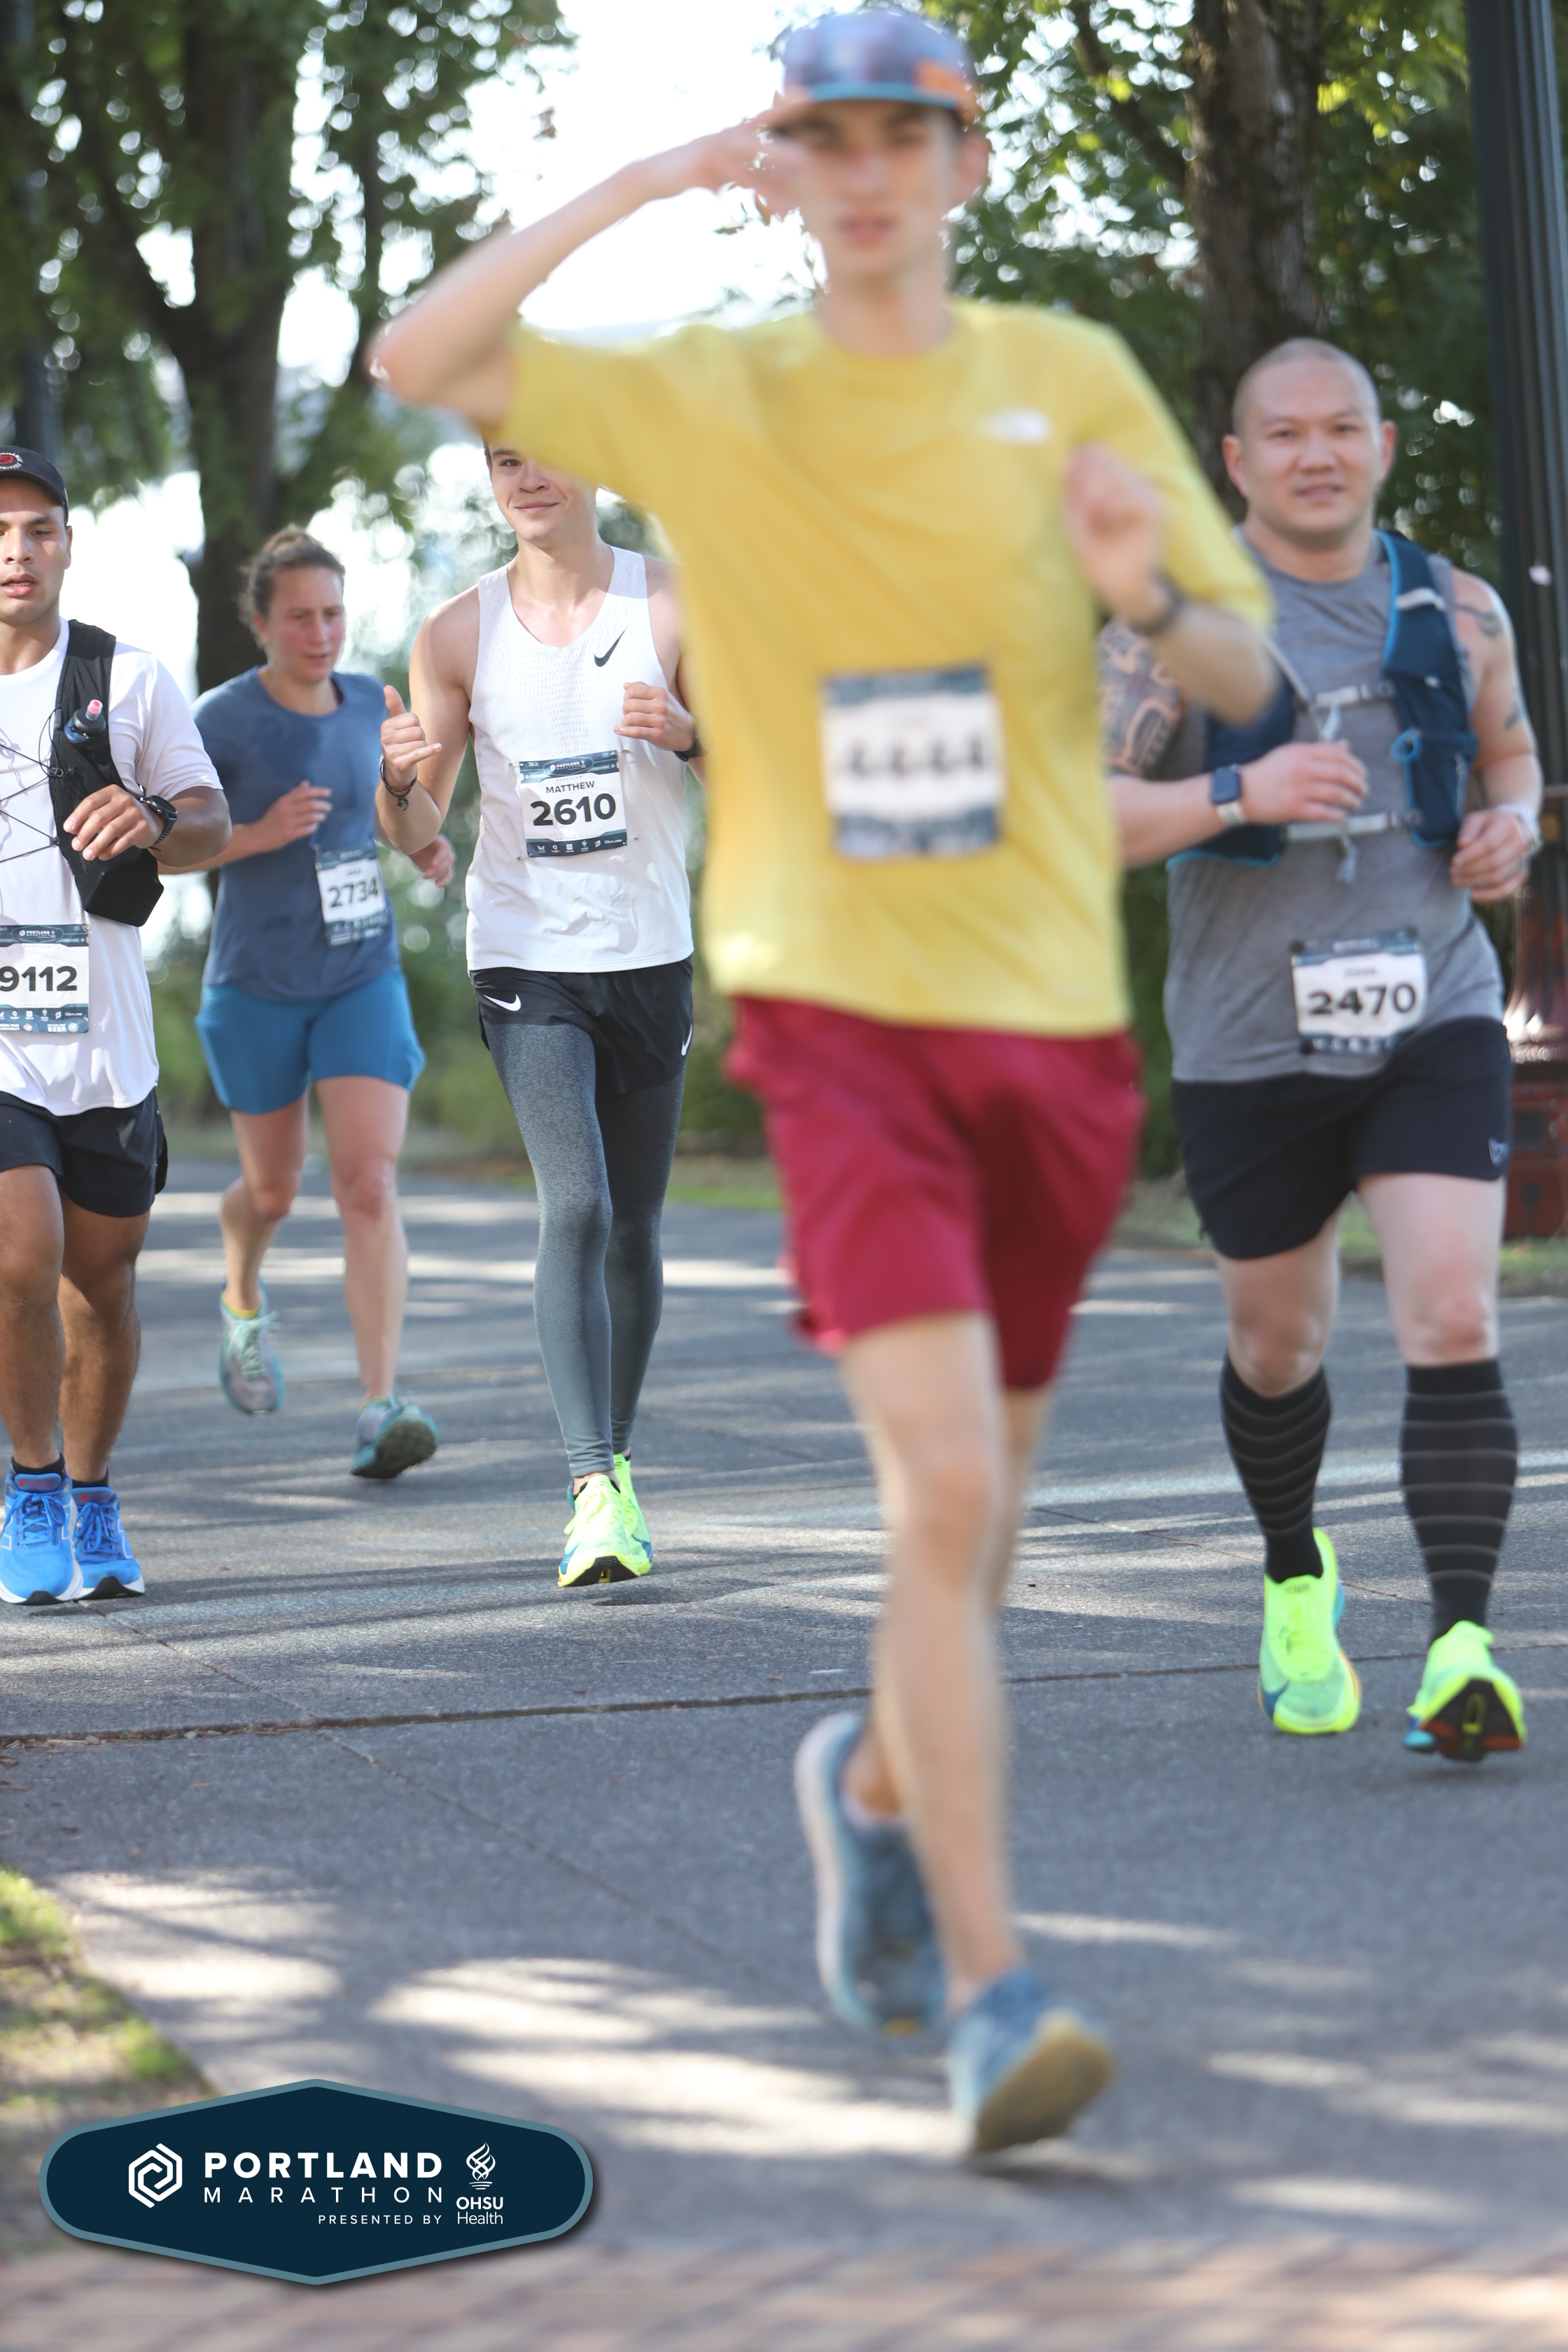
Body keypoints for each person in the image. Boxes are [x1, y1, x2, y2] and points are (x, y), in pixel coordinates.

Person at [371, 8, 1278, 2153]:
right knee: (940, 1492)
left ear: (965, 162)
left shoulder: (1065, 375)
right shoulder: (716, 389)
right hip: (836, 1014)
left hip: (1046, 1021)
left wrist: (1149, 583)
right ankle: (993, 1993)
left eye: (905, 134)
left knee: (981, 1523)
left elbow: (1241, 670)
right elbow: (427, 350)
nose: (866, 172)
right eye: (823, 138)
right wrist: (655, 174)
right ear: (789, 168)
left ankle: (869, 1791)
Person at [1102, 337, 1541, 1765]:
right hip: (1251, 1041)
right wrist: (1241, 787)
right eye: (1284, 433)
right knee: (1276, 1344)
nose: (1316, 454)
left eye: (1341, 429)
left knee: (1452, 1316)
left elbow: (1511, 754)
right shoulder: (1171, 622)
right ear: (1237, 461)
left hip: (1434, 1012)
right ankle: (1297, 1576)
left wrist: (1510, 828)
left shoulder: (1457, 605)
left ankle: (1462, 1649)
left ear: (1381, 446)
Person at [378, 447, 700, 1584]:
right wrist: (395, 779)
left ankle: (617, 1463)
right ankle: (590, 1487)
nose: (527, 477)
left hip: (647, 949)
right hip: (525, 955)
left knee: (637, 1230)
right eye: (504, 459)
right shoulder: (454, 634)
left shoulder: (673, 602)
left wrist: (694, 735)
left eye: (547, 451)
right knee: (580, 1203)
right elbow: (418, 827)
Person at [0, 444, 231, 1604]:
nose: (17, 550)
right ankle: (31, 1486)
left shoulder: (126, 679)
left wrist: (152, 819)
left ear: (68, 544)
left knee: (103, 1284)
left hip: (105, 1043)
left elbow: (212, 823)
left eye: (38, 528)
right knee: (19, 1255)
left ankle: (91, 1494)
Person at [191, 529, 453, 1479]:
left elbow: (397, 817)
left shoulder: (372, 706)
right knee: (272, 1191)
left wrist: (422, 841)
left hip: (358, 973)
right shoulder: (219, 719)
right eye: (298, 616)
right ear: (261, 623)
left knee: (369, 1183)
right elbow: (162, 846)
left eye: (333, 613)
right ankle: (242, 1295)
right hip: (256, 983)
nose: (320, 632)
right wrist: (257, 832)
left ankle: (382, 1404)